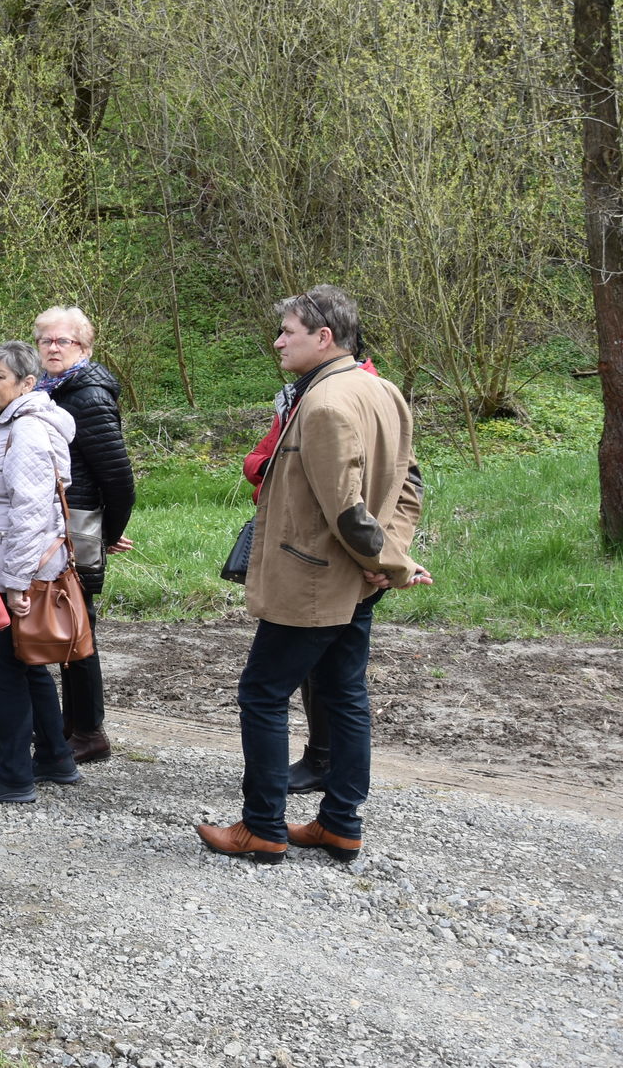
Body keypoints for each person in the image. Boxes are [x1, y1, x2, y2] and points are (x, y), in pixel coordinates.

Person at [198, 286, 430, 864]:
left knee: (263, 693)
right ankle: (340, 824)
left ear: (323, 338)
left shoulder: (325, 404)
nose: (278, 341)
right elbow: (409, 489)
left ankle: (262, 829)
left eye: (287, 332)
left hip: (314, 583)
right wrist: (385, 562)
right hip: (355, 579)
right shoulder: (383, 391)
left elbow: (347, 511)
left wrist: (390, 565)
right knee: (344, 694)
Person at [0, 341, 80, 803]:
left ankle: (13, 774)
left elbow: (31, 511)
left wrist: (15, 582)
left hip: (9, 568)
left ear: (28, 384)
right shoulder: (16, 424)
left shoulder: (26, 430)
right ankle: (53, 756)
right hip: (8, 563)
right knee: (26, 664)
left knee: (2, 667)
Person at [30, 307, 136, 766]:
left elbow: (118, 477)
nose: (53, 348)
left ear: (84, 348)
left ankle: (89, 731)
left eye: (63, 342)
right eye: (46, 341)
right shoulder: (49, 390)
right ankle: (73, 725)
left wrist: (109, 531)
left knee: (77, 623)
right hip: (62, 520)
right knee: (67, 621)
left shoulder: (87, 395)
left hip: (80, 522)